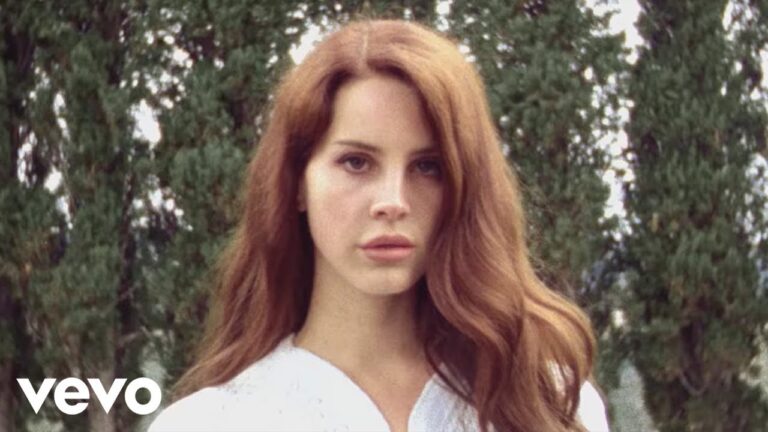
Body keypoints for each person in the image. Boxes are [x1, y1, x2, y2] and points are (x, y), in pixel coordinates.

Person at [148, 19, 609, 432]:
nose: (393, 202)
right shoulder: (212, 423)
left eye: (428, 167)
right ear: (297, 183)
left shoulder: (547, 404)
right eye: (356, 162)